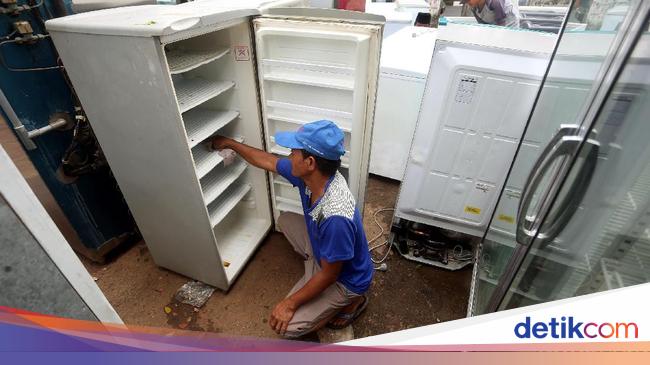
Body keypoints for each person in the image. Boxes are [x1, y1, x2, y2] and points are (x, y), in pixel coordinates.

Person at [210, 120, 373, 338]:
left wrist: (290, 304)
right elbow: (268, 160)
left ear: (310, 162)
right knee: (285, 220)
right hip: (325, 251)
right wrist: (231, 144)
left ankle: (352, 302)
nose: (289, 157)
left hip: (345, 279)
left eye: (293, 152)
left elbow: (330, 274)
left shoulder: (336, 218)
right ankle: (313, 265)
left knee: (287, 327)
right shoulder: (312, 177)